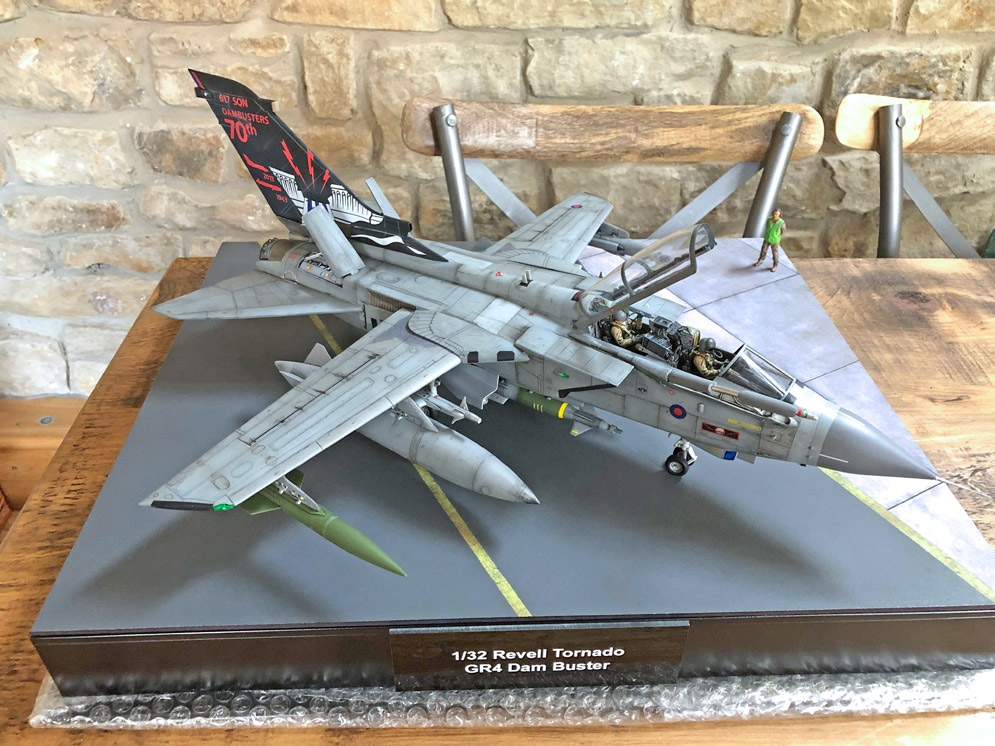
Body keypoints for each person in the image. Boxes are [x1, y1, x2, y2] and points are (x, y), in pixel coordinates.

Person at [753, 208, 785, 272]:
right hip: (767, 238)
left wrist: (778, 238)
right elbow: (767, 227)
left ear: (780, 215)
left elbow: (782, 231)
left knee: (775, 253)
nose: (775, 216)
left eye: (777, 214)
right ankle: (760, 260)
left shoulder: (781, 222)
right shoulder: (769, 220)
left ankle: (775, 265)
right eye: (774, 214)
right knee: (763, 250)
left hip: (775, 240)